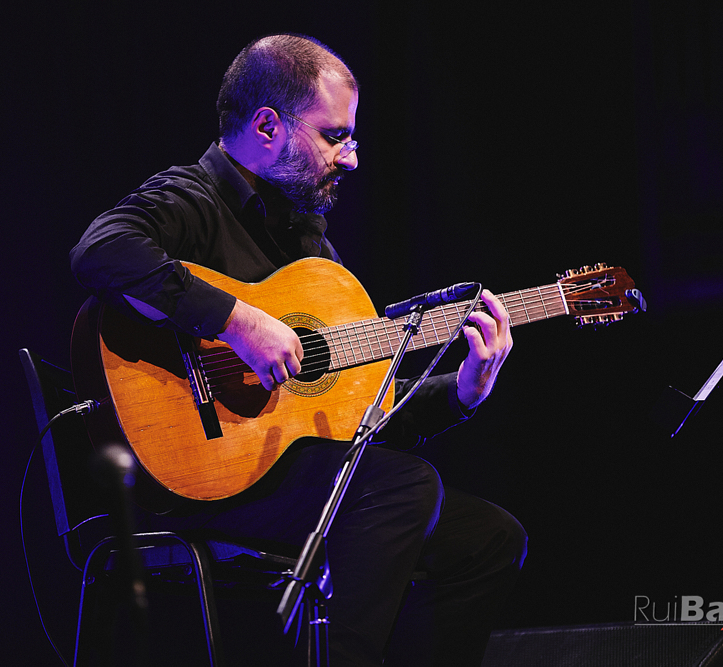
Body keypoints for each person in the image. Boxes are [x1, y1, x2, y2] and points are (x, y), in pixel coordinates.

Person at [70, 33, 527, 666]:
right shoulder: (192, 201)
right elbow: (101, 252)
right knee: (399, 490)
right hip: (191, 477)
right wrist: (237, 322)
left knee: (488, 538)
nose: (352, 158)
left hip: (284, 477)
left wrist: (464, 391)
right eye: (334, 136)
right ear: (266, 126)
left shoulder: (311, 253)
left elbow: (361, 422)